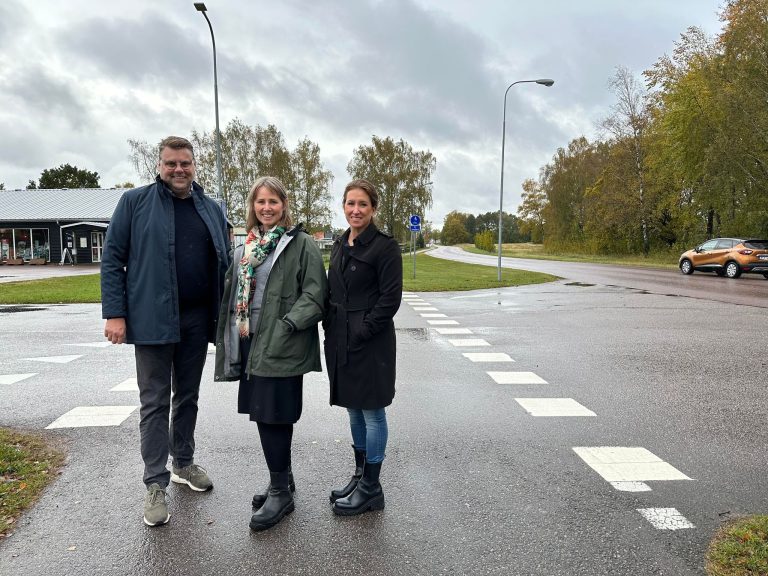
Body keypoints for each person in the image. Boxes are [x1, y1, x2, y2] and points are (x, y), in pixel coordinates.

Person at [101, 136, 230, 527]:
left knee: (187, 397)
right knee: (155, 402)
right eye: (171, 163)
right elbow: (113, 261)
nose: (178, 169)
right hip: (153, 321)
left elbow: (225, 261)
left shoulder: (211, 208)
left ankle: (184, 464)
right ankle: (155, 483)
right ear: (159, 165)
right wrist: (115, 314)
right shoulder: (134, 203)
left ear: (194, 165)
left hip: (195, 321)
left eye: (185, 163)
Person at [214, 176, 327, 532]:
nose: (266, 208)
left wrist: (288, 326)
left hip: (282, 343)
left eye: (273, 202)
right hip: (251, 341)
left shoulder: (301, 244)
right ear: (253, 206)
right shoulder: (246, 245)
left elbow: (315, 294)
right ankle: (283, 480)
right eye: (260, 202)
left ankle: (281, 492)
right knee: (265, 414)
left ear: (284, 206)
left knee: (274, 415)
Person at [324, 178, 402, 516]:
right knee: (353, 407)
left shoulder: (384, 247)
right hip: (340, 336)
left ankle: (372, 487)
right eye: (350, 203)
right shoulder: (341, 243)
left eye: (363, 205)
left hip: (370, 340)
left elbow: (390, 299)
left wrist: (363, 331)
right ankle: (359, 476)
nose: (356, 210)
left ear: (373, 209)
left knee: (372, 411)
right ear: (343, 206)